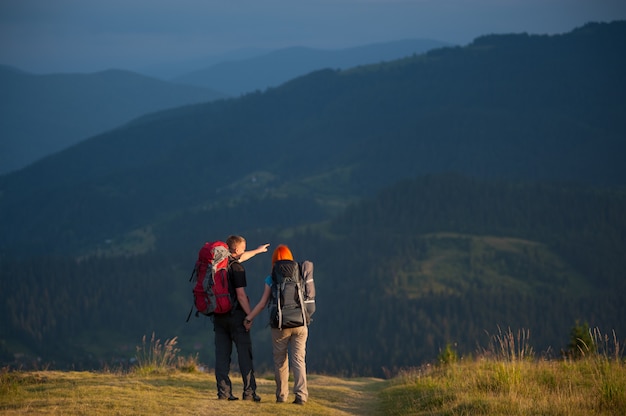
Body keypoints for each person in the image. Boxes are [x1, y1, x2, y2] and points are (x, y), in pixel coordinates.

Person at [245, 244, 310, 405]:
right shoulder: (300, 273)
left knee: (280, 360)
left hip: (280, 325)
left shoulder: (271, 277)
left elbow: (262, 303)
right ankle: (301, 396)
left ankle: (282, 396)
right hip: (300, 323)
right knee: (299, 360)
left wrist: (249, 318)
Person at [213, 235, 269, 402]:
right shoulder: (237, 269)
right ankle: (249, 392)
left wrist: (258, 251)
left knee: (222, 355)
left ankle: (223, 393)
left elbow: (242, 257)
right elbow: (241, 296)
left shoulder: (217, 264)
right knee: (244, 354)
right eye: (243, 248)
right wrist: (249, 316)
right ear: (236, 249)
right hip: (236, 315)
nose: (244, 251)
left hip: (218, 315)